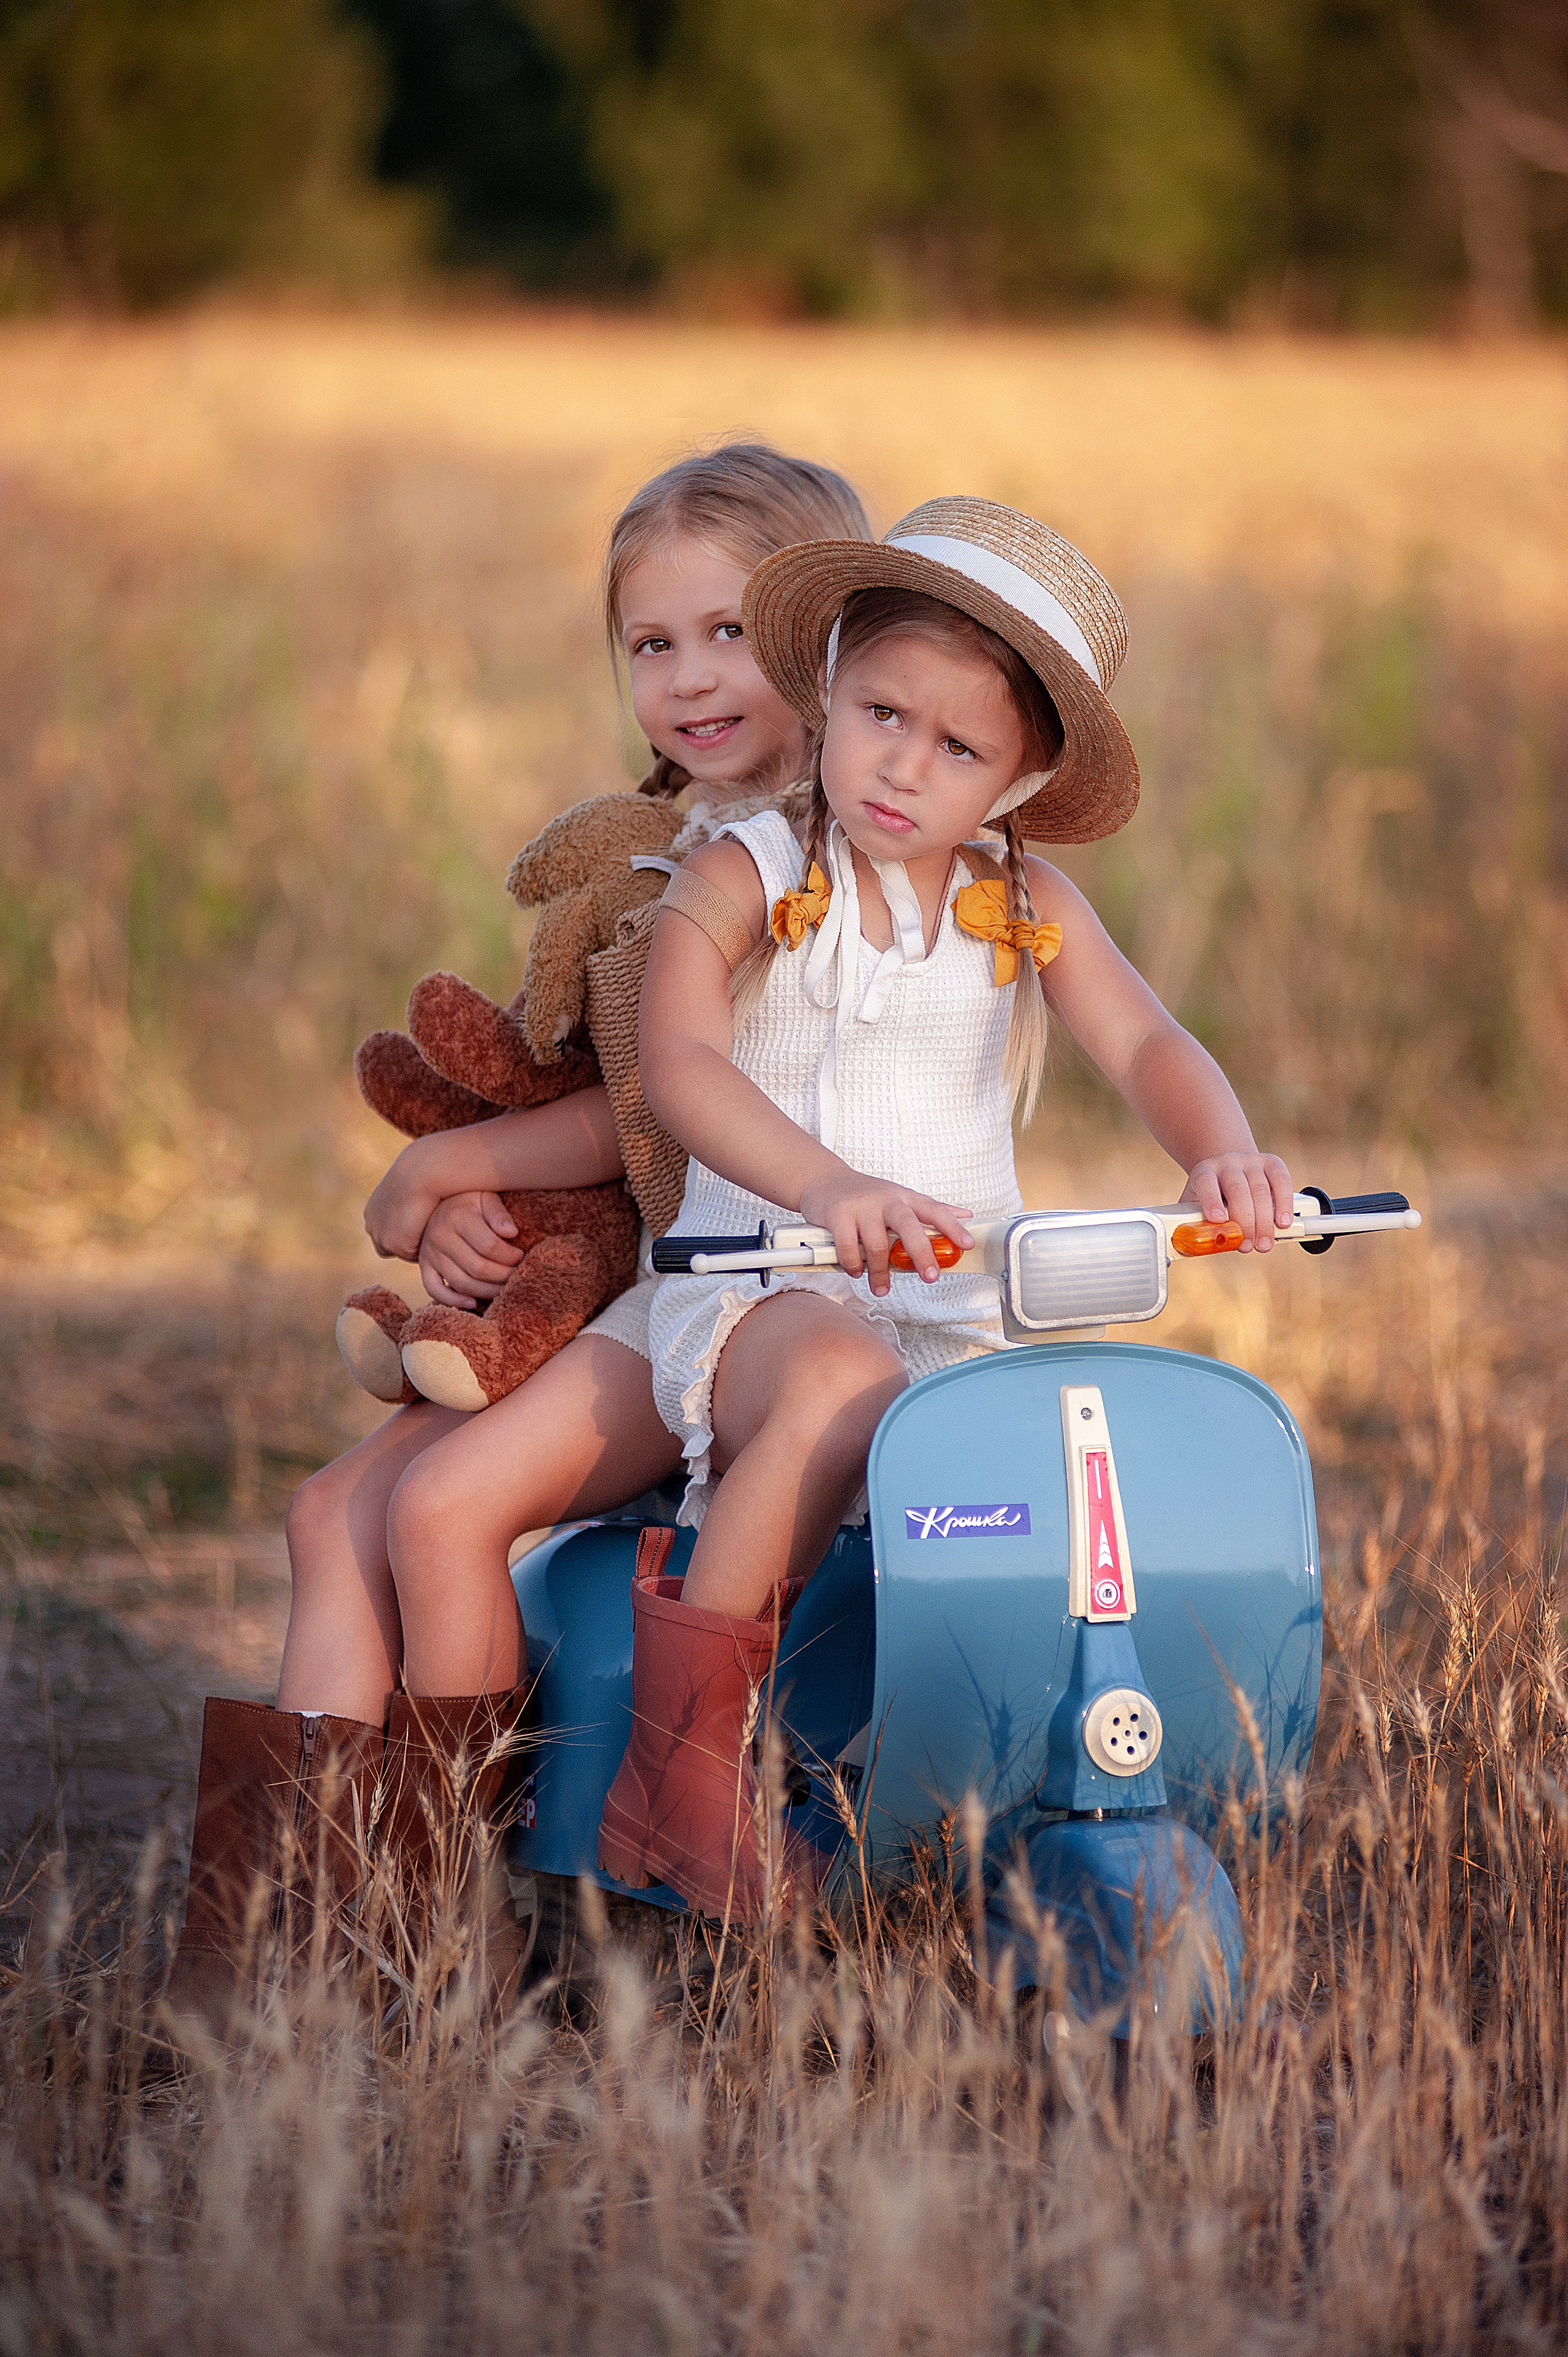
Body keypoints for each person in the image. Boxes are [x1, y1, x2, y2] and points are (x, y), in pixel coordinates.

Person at [162, 445, 873, 2027]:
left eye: (728, 635)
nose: (688, 678)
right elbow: (614, 1101)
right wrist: (482, 1187)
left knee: (435, 1514)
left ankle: (440, 1930)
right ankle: (272, 1942)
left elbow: (657, 1106)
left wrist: (468, 1154)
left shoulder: (813, 858)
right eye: (650, 642)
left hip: (710, 1301)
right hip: (633, 1274)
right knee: (327, 1517)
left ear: (831, 641)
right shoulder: (662, 849)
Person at [597, 496, 1295, 1919]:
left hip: (954, 1318)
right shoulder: (753, 867)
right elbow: (675, 1061)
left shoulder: (1022, 896)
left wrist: (1221, 1152)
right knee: (839, 1383)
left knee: (1075, 1483)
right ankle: (681, 1775)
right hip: (762, 1293)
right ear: (831, 684)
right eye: (879, 714)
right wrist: (828, 1187)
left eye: (958, 747)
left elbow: (1152, 1045)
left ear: (1020, 781)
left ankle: (1025, 1774)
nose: (902, 768)